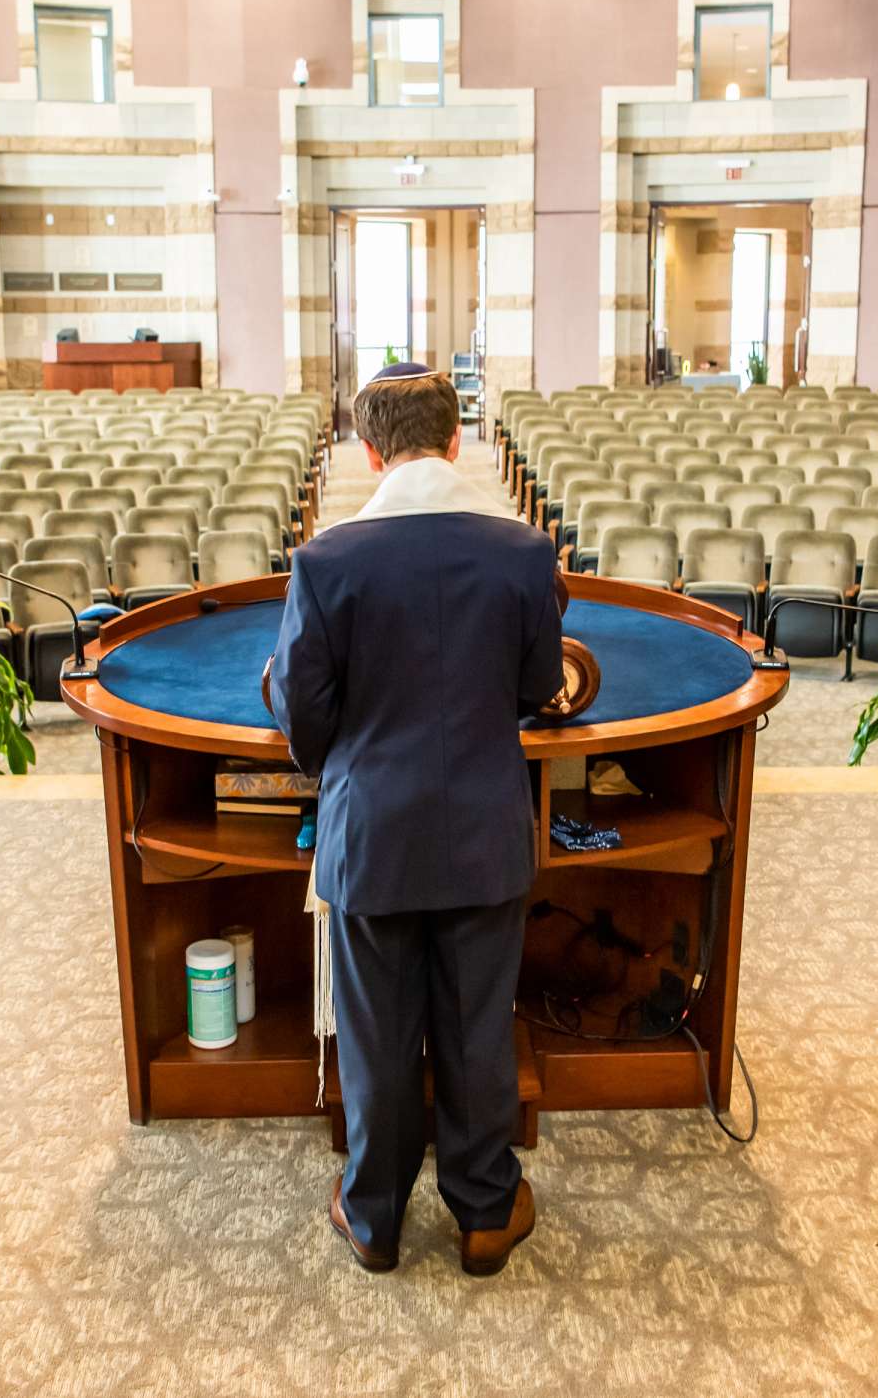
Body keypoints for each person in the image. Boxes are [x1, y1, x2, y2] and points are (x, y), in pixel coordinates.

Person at [267, 361, 561, 1276]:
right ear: (455, 438)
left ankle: (375, 1218)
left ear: (369, 449)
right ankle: (482, 1214)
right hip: (483, 827)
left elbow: (303, 716)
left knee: (377, 1035)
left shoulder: (325, 561)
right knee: (477, 1028)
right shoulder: (522, 554)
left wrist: (338, 757)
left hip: (373, 835)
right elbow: (536, 688)